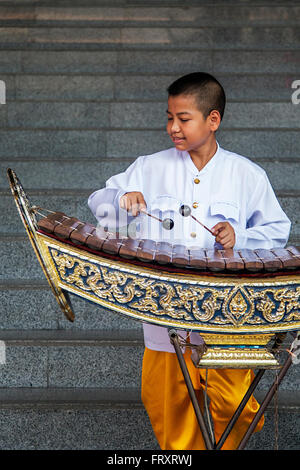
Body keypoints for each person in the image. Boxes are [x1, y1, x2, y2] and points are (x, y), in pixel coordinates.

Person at [88, 72, 291, 450]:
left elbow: (277, 232)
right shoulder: (148, 167)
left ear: (213, 120)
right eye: (169, 117)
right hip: (165, 313)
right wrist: (121, 199)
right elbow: (101, 207)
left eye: (184, 118)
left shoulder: (247, 174)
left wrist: (239, 236)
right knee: (171, 408)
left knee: (235, 403)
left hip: (229, 318)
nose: (173, 128)